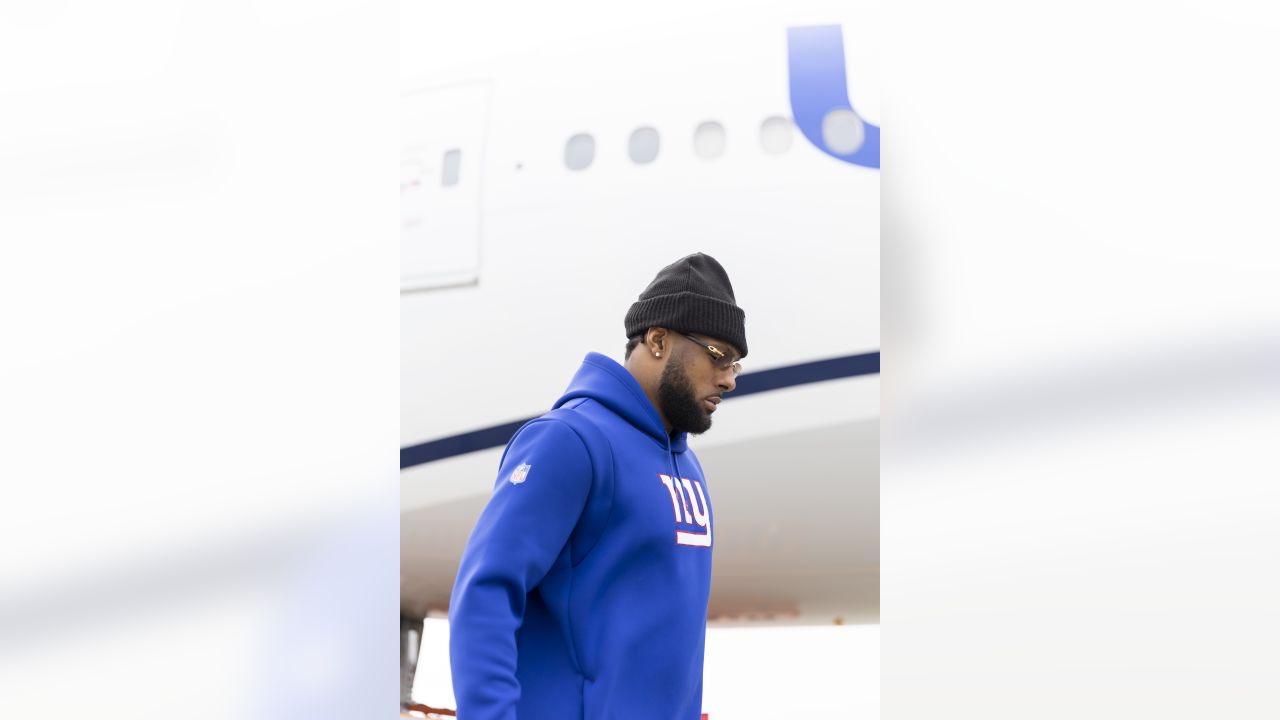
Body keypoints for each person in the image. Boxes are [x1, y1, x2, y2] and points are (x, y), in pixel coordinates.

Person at [448, 252, 748, 719]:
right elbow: (484, 592)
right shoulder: (569, 441)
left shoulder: (688, 468)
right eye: (719, 356)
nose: (729, 378)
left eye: (737, 364)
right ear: (657, 340)